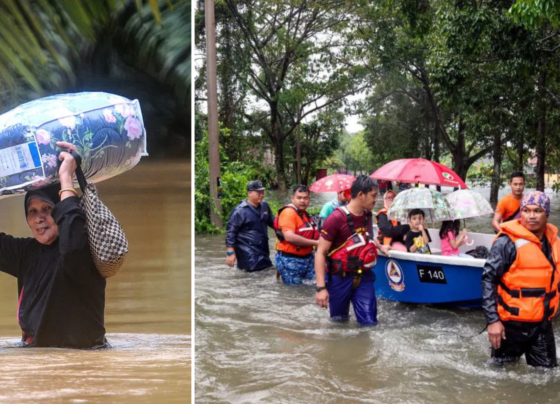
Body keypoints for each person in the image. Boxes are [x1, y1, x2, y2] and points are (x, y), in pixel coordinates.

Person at [0, 141, 107, 349]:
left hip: (82, 364)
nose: (39, 218)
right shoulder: (26, 254)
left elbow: (73, 245)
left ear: (60, 210)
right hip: (37, 363)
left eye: (47, 208)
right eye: (32, 211)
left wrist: (66, 176)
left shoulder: (85, 251)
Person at [482, 191, 559, 368]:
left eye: (537, 211)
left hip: (542, 325)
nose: (531, 216)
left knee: (547, 378)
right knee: (499, 376)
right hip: (510, 326)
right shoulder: (506, 243)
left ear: (546, 214)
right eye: (526, 210)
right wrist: (493, 321)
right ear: (521, 213)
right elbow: (488, 281)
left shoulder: (554, 242)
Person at [315, 175, 391, 326]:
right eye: (374, 195)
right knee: (339, 323)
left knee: (369, 323)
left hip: (364, 276)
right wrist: (321, 288)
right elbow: (320, 253)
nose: (376, 200)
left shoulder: (367, 215)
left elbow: (366, 236)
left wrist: (380, 246)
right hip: (340, 278)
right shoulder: (335, 218)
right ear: (361, 195)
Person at [226, 180, 275, 271]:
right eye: (258, 192)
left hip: (263, 250)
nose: (261, 195)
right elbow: (231, 232)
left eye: (262, 192)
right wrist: (230, 252)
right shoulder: (240, 211)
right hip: (247, 252)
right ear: (249, 193)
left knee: (267, 271)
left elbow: (272, 221)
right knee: (251, 276)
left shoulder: (264, 206)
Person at [274, 185, 319, 284]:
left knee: (313, 286)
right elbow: (289, 237)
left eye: (305, 198)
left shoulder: (305, 214)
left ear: (309, 199)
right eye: (299, 198)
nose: (302, 201)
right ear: (292, 198)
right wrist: (316, 243)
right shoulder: (288, 213)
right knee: (294, 292)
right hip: (290, 260)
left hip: (308, 259)